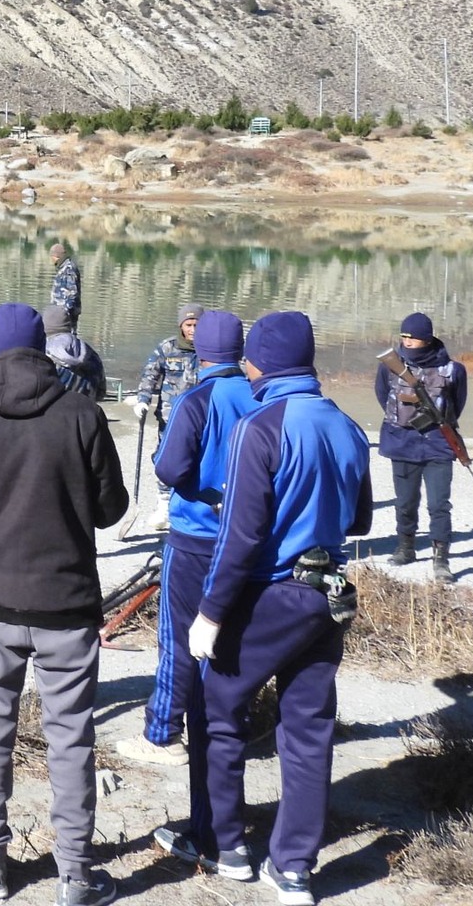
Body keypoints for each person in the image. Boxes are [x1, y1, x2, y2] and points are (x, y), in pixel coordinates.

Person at [0, 303, 127, 906]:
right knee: (71, 737)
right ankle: (75, 872)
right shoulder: (81, 414)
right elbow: (110, 509)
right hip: (65, 603)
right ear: (43, 347)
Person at [177, 311, 371, 904]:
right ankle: (293, 869)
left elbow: (240, 535)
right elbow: (360, 520)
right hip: (328, 594)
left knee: (217, 710)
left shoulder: (260, 427)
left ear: (260, 362)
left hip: (271, 593)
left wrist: (210, 614)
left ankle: (223, 844)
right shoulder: (347, 424)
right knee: (308, 729)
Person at [117, 310, 252, 768]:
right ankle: (224, 730)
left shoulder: (197, 399)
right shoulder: (261, 394)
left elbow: (170, 469)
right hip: (248, 540)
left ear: (205, 350)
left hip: (195, 535)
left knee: (177, 637)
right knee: (231, 635)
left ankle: (163, 735)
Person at [374, 311, 468, 582]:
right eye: (403, 336)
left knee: (439, 504)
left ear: (426, 339)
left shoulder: (453, 370)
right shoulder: (390, 366)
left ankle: (441, 559)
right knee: (405, 502)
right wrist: (408, 422)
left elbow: (456, 404)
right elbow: (383, 395)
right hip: (402, 443)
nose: (406, 341)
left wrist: (433, 422)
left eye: (412, 337)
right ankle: (406, 547)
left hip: (438, 445)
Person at [132, 304, 204, 533]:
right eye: (189, 325)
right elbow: (150, 374)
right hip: (170, 418)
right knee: (165, 459)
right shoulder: (167, 348)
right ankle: (163, 504)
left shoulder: (210, 350)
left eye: (197, 325)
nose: (193, 329)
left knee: (197, 460)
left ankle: (189, 505)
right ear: (181, 325)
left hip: (202, 418)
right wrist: (142, 399)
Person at [43, 304, 106, 404]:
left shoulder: (43, 355)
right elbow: (101, 393)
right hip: (86, 414)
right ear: (68, 325)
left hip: (52, 413)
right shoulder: (91, 353)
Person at [49, 241, 82, 331]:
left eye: (52, 257)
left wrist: (64, 314)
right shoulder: (63, 268)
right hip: (60, 314)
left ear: (57, 257)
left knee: (68, 338)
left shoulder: (69, 269)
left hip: (66, 316)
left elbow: (72, 294)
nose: (51, 260)